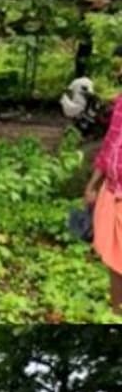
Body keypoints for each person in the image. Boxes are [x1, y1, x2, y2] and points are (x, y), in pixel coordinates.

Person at [84, 45, 122, 313]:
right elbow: (109, 144)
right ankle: (116, 308)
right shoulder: (121, 102)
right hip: (111, 189)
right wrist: (92, 184)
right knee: (112, 257)